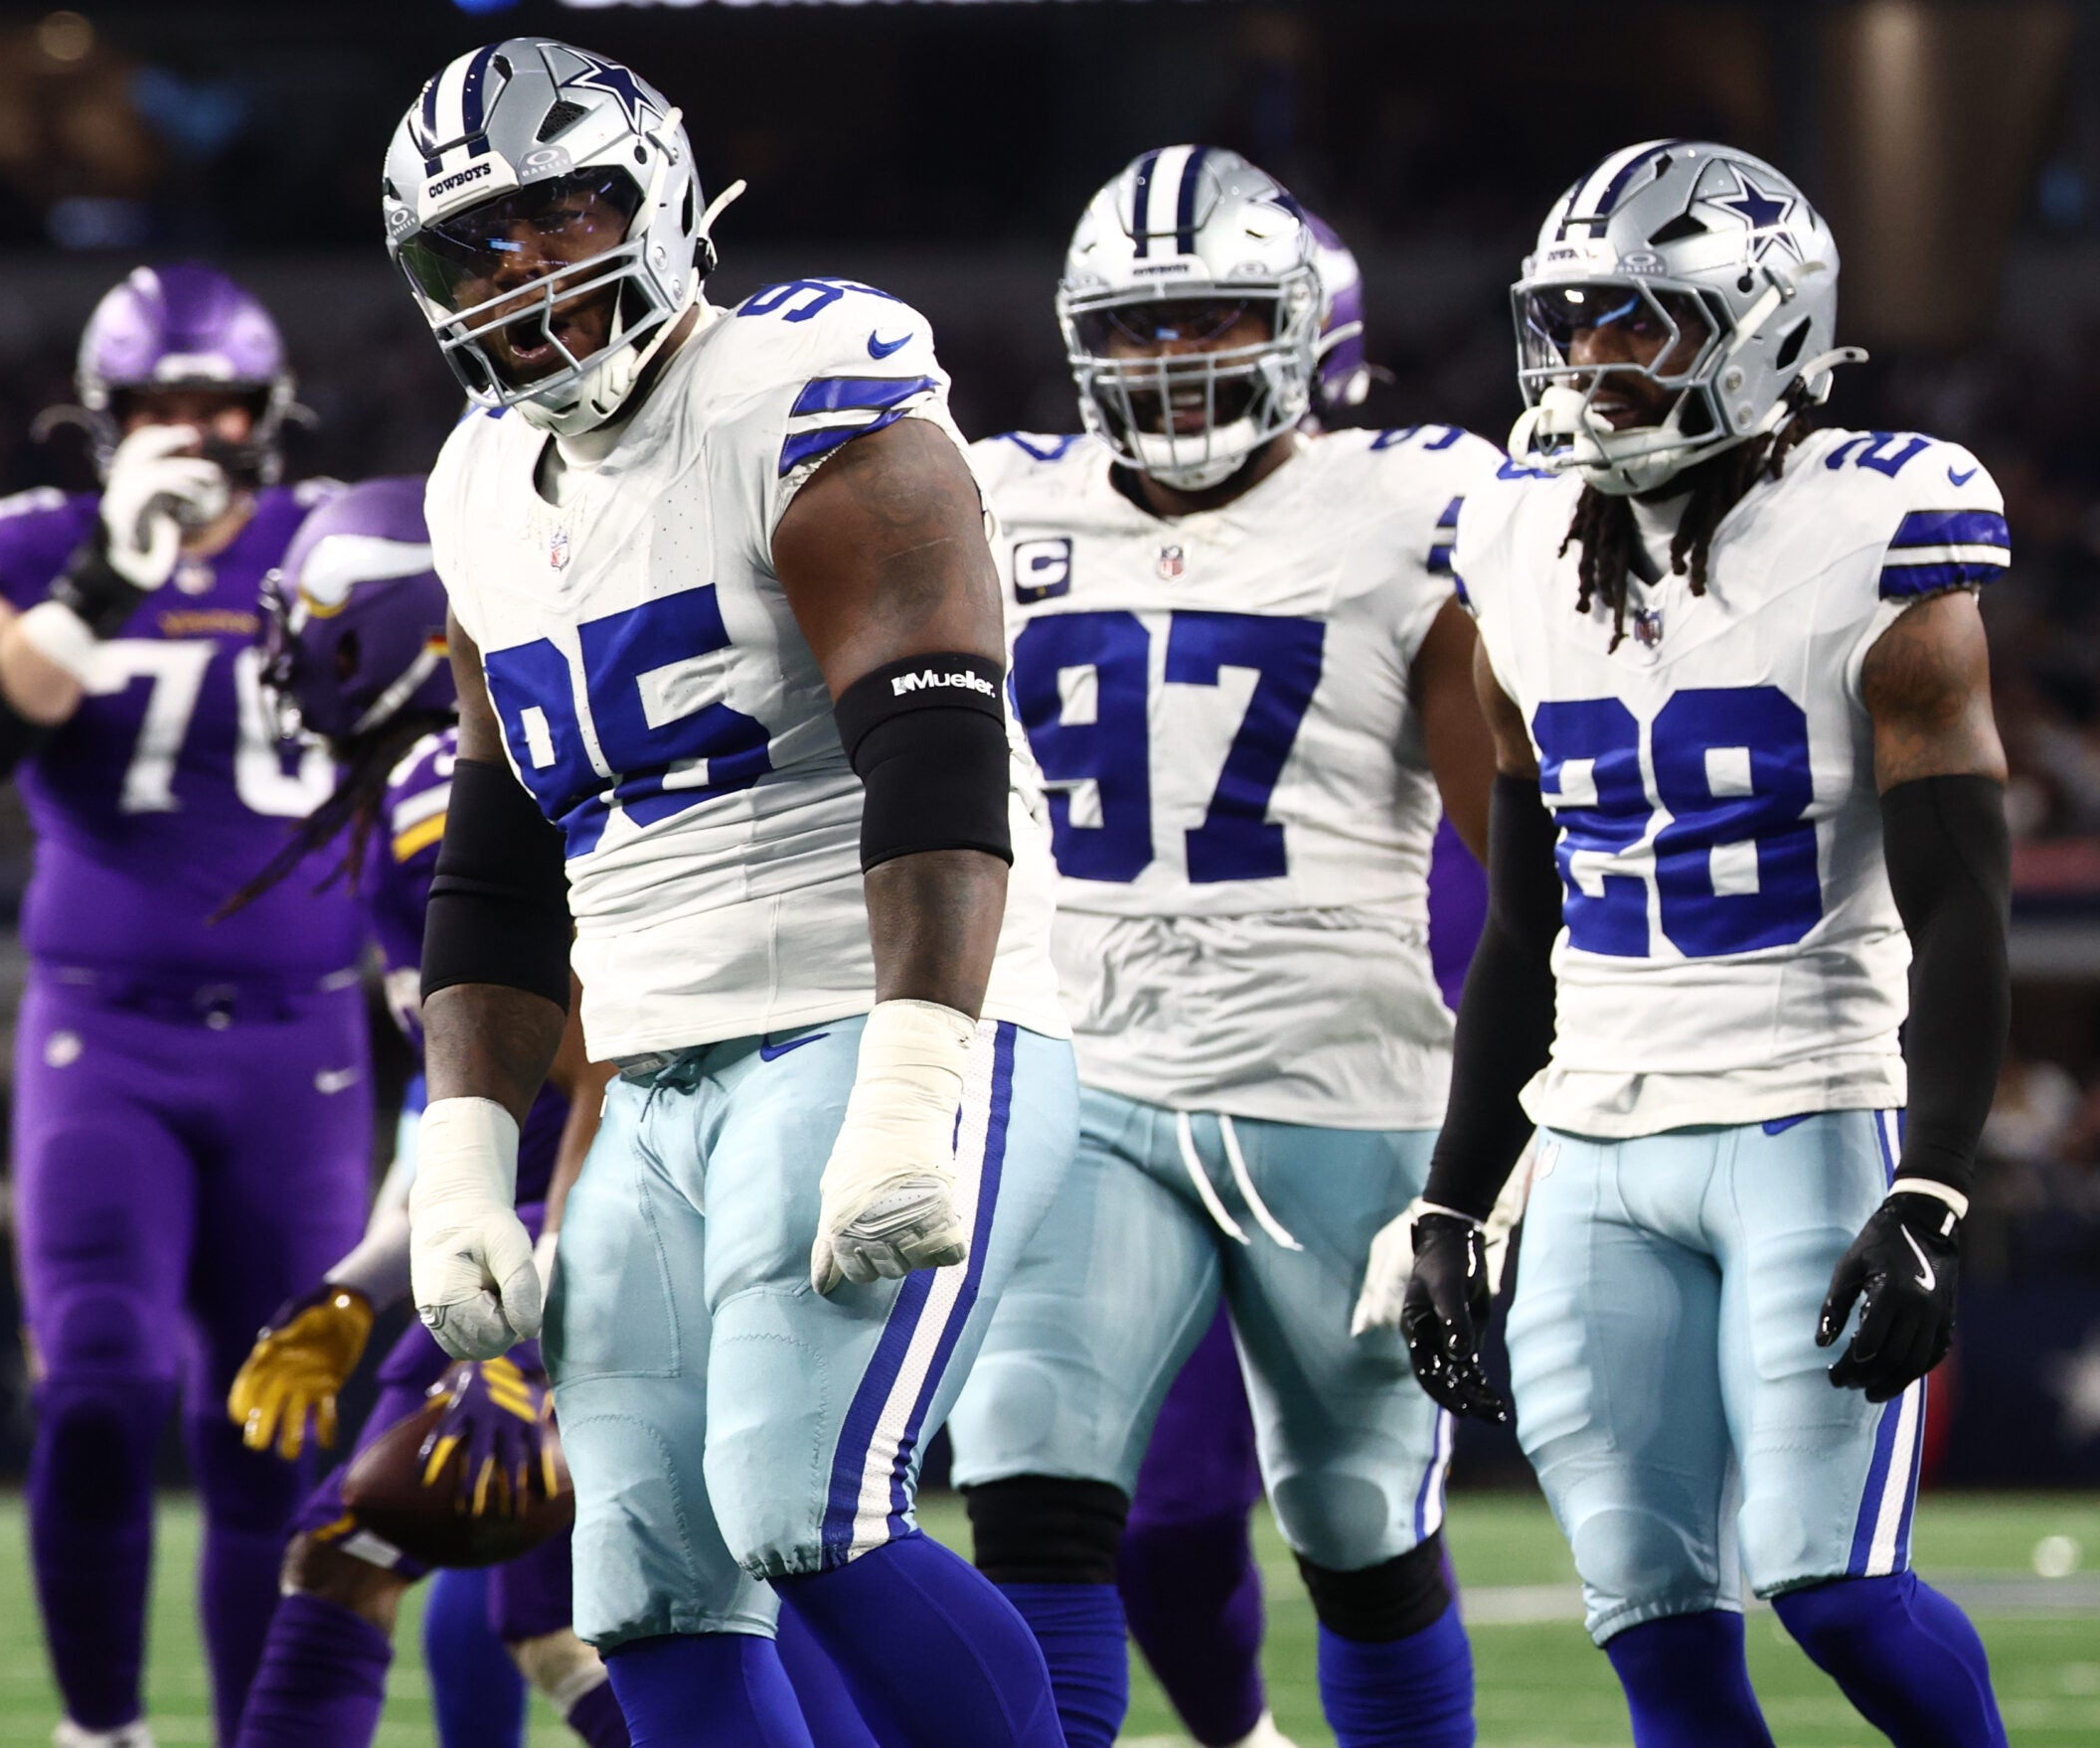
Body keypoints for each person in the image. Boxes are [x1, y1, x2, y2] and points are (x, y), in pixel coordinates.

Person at [383, 36, 1077, 1748]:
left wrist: (918, 1072)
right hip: (654, 1062)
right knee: (646, 1576)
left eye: (562, 213)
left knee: (801, 1500)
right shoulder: (476, 481)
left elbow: (934, 747)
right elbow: (499, 844)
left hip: (870, 1001)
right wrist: (462, 1147)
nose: (522, 265)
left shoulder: (808, 381)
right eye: (479, 241)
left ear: (664, 197)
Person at [1407, 139, 2012, 1747]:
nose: (1598, 358)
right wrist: (1456, 1195)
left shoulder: (1878, 531)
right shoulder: (1517, 536)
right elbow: (1525, 919)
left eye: (1645, 321)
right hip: (1595, 1142)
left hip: (1807, 1108)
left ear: (1765, 328)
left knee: (1834, 1585)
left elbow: (1963, 897)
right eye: (1581, 318)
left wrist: (1935, 1183)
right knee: (1654, 1620)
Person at [953, 148, 1495, 1748]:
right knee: (1031, 1487)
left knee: (1357, 1520)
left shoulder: (1414, 500)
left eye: (1211, 316)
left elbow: (1509, 837)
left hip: (1340, 1081)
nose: (1174, 358)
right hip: (1082, 1064)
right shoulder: (994, 492)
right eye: (1138, 325)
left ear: (1303, 326)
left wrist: (1510, 1134)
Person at [0, 264, 370, 1748]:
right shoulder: (35, 540)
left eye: (216, 401)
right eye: (160, 404)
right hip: (103, 1032)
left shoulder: (341, 539)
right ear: (104, 419)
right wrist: (109, 571)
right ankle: (99, 1727)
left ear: (267, 411)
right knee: (98, 1387)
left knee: (274, 1424)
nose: (191, 428)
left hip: (302, 1040)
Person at [208, 475, 627, 1748]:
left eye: (313, 626)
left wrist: (534, 1325)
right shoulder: (415, 793)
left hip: (605, 1210)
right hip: (565, 1208)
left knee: (357, 1547)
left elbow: (608, 1053)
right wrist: (357, 1285)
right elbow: (456, 1120)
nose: (288, 663)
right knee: (572, 1620)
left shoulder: (443, 791)